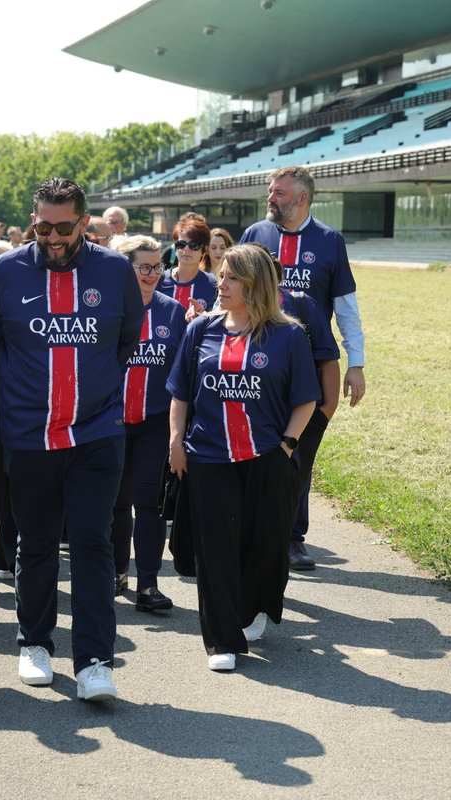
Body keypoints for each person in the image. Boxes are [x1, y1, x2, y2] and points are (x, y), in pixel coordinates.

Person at [0, 177, 144, 702]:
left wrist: (89, 396)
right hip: (28, 436)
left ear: (83, 223)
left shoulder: (114, 271)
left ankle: (95, 660)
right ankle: (35, 642)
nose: (51, 236)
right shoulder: (6, 271)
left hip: (96, 432)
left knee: (93, 543)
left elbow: (125, 341)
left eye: (63, 227)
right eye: (42, 225)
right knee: (37, 540)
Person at [166, 244, 319, 672]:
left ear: (254, 285)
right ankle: (222, 640)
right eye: (221, 274)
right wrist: (176, 442)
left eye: (231, 277)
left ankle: (254, 608)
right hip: (208, 457)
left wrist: (287, 444)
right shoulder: (202, 329)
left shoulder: (288, 335)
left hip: (265, 457)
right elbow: (180, 393)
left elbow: (305, 400)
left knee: (264, 545)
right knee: (214, 549)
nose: (220, 282)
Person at [238, 165, 367, 569]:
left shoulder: (329, 241)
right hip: (255, 362)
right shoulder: (255, 235)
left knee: (299, 452)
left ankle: (293, 536)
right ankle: (249, 528)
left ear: (302, 199)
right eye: (270, 192)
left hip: (309, 364)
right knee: (257, 446)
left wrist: (356, 363)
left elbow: (346, 307)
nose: (270, 198)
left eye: (278, 193)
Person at [111, 236, 186, 611]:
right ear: (125, 268)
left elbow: (183, 375)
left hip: (155, 423)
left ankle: (148, 585)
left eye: (158, 266)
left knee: (150, 505)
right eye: (144, 266)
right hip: (110, 422)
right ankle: (115, 572)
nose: (153, 273)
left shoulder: (174, 312)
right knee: (114, 504)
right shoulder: (108, 307)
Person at [157, 217, 217, 314]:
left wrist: (200, 320)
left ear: (204, 251)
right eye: (181, 244)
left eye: (194, 245)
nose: (186, 249)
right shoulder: (159, 280)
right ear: (175, 248)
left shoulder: (213, 285)